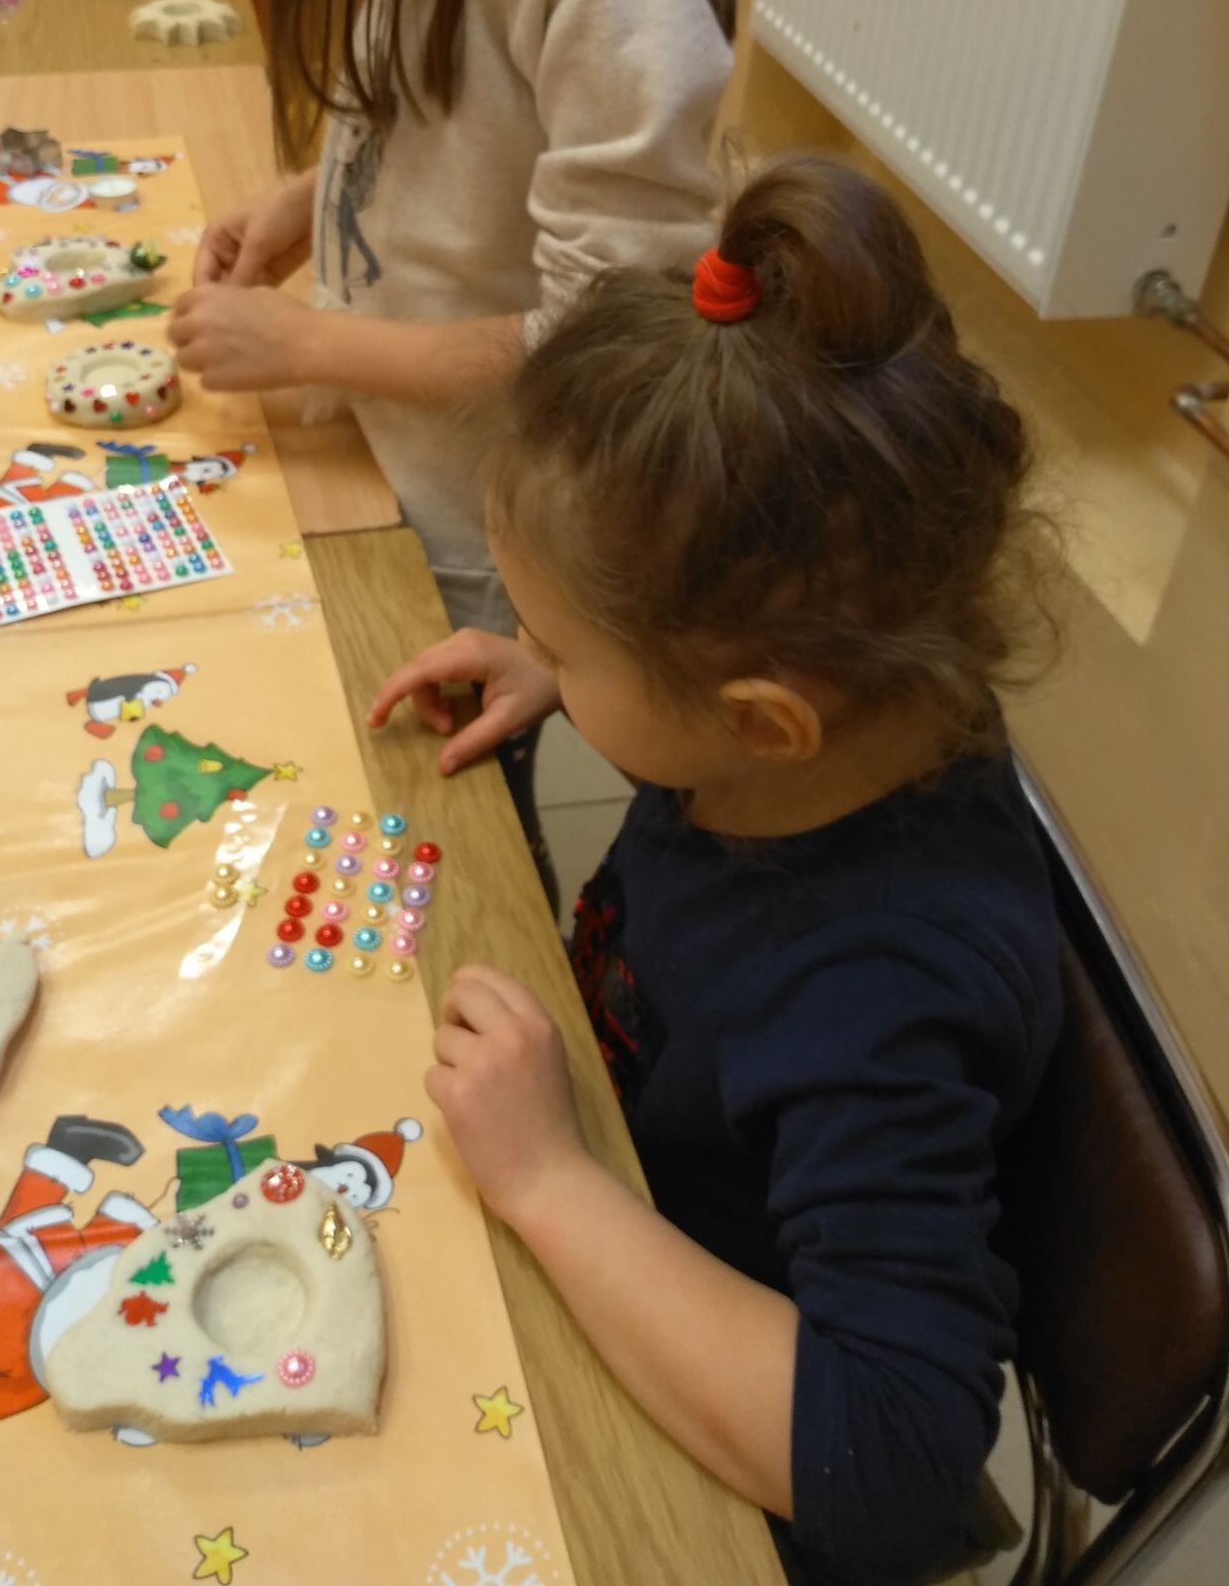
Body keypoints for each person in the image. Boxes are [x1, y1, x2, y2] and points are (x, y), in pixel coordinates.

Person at [368, 158, 1064, 1586]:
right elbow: (705, 690)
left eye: (564, 646)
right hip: (623, 1175)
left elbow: (895, 1467)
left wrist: (553, 1183)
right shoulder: (858, 715)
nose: (540, 663)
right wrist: (563, 677)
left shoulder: (876, 997)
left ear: (761, 720)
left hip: (702, 1464)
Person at [164, 0, 741, 892]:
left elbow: (611, 337)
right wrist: (314, 198)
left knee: (458, 876)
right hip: (386, 473)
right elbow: (451, 100)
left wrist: (310, 344)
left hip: (480, 545)